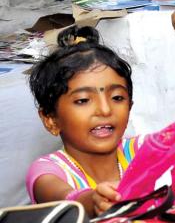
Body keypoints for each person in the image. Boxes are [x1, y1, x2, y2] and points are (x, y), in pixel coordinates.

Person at [26, 26, 142, 216]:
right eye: (83, 100)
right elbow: (67, 201)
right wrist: (93, 201)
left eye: (117, 98)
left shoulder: (141, 152)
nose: (105, 110)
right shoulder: (48, 171)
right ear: (51, 120)